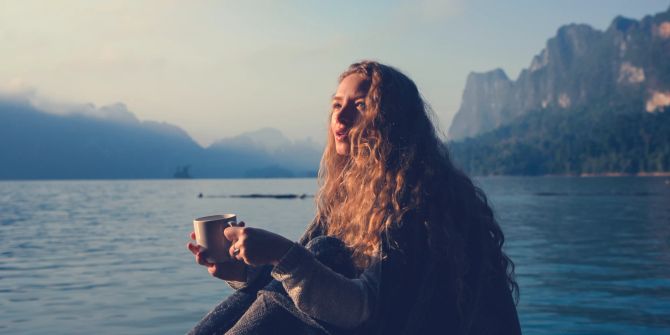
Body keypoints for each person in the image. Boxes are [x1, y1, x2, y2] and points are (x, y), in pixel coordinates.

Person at [186, 61, 521, 334]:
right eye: (337, 105)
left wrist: (281, 253)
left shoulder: (420, 204)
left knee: (322, 254)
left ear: (391, 122)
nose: (340, 118)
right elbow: (296, 281)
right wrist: (239, 270)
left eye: (360, 106)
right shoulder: (348, 194)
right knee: (315, 256)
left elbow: (362, 310)